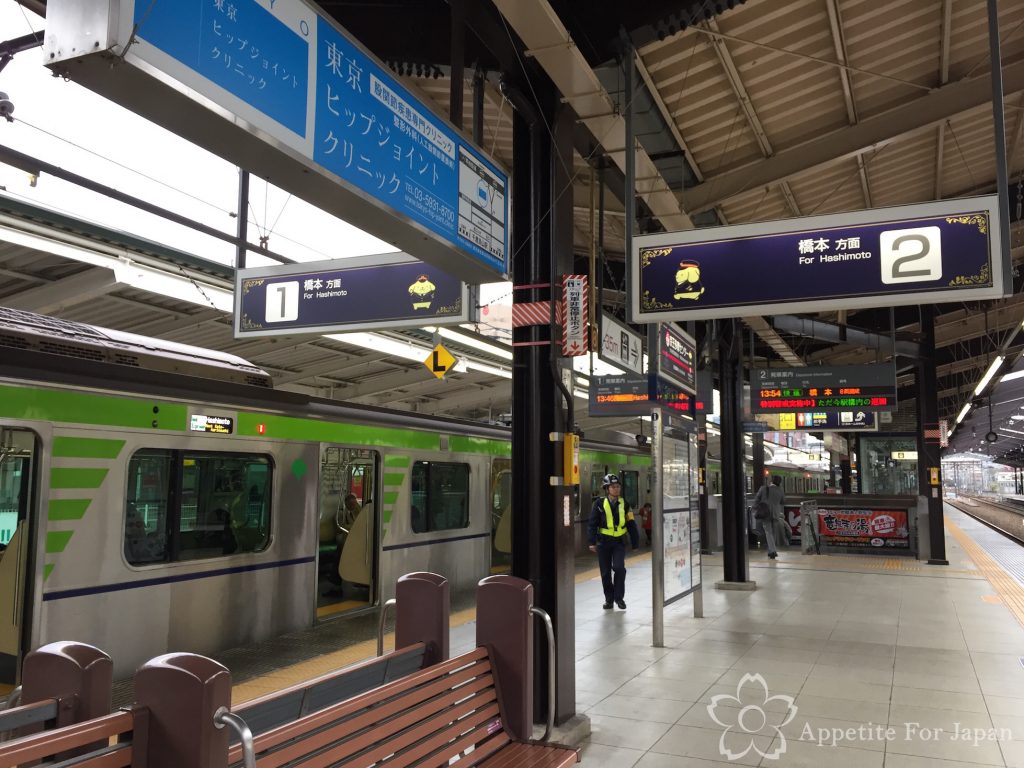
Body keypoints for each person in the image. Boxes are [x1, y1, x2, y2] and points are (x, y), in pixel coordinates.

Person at [587, 474, 639, 610]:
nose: (616, 489)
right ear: (606, 489)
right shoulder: (598, 504)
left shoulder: (625, 504)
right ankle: (609, 600)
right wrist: (591, 542)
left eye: (618, 486)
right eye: (613, 487)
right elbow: (592, 524)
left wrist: (635, 542)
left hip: (619, 543)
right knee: (605, 572)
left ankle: (619, 598)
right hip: (603, 543)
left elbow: (631, 523)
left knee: (619, 568)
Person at [754, 475, 785, 559]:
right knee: (773, 533)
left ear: (771, 481)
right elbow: (782, 501)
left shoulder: (763, 488)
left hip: (765, 513)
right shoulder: (780, 490)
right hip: (776, 514)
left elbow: (756, 499)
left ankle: (773, 551)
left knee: (768, 532)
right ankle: (771, 550)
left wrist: (755, 509)